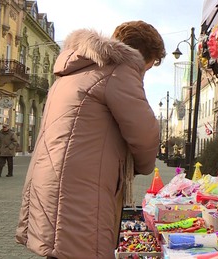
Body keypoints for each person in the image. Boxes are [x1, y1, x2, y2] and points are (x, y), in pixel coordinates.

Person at [16, 21, 166, 258]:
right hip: (81, 191)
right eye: (148, 67)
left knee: (59, 248)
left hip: (52, 185)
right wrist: (142, 165)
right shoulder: (119, 70)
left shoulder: (73, 71)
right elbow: (145, 134)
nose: (144, 74)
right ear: (143, 57)